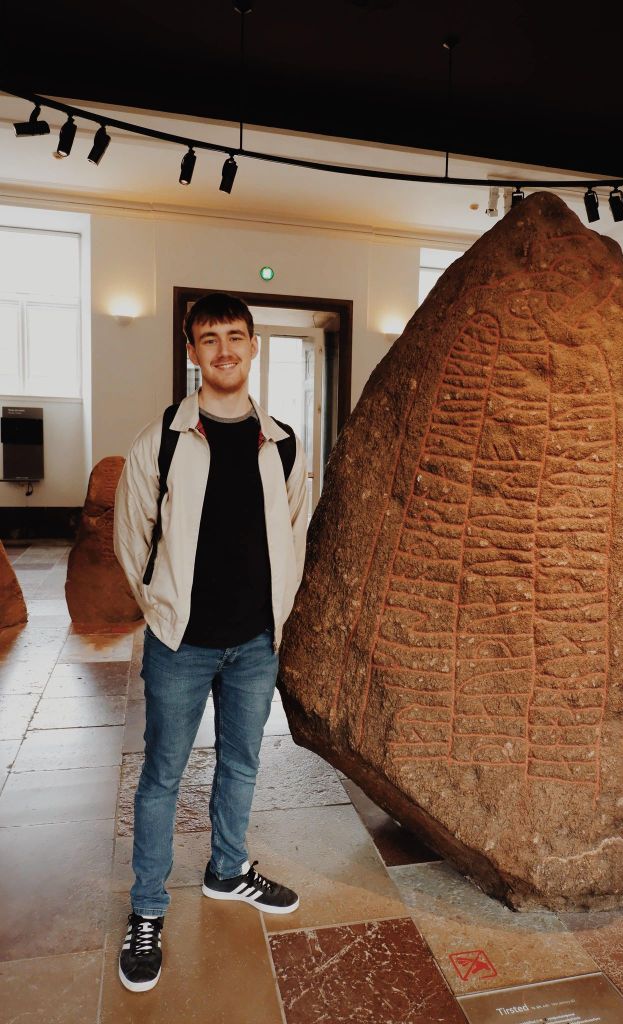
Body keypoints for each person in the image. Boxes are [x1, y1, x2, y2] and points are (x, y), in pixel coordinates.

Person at [113, 292, 308, 992]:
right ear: (192, 352)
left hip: (255, 642)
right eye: (208, 338)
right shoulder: (160, 439)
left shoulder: (282, 443)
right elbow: (130, 536)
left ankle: (228, 870)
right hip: (182, 645)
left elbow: (293, 534)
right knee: (163, 778)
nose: (223, 349)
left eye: (235, 336)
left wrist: (274, 616)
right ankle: (147, 910)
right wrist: (162, 608)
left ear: (254, 346)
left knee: (242, 763)